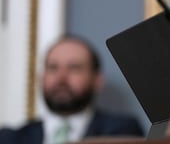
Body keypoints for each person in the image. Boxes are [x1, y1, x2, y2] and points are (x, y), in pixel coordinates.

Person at [0, 35, 144, 144]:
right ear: (41, 78)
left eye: (74, 68)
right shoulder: (10, 138)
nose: (61, 78)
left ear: (97, 81)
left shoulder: (122, 131)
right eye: (53, 68)